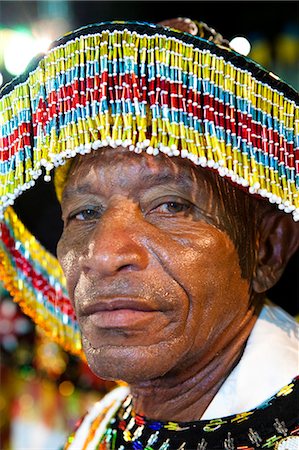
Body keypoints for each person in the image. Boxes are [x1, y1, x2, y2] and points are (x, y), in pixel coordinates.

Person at [0, 17, 298, 450]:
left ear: (267, 248)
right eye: (84, 212)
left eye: (170, 206)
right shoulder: (99, 426)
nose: (102, 254)